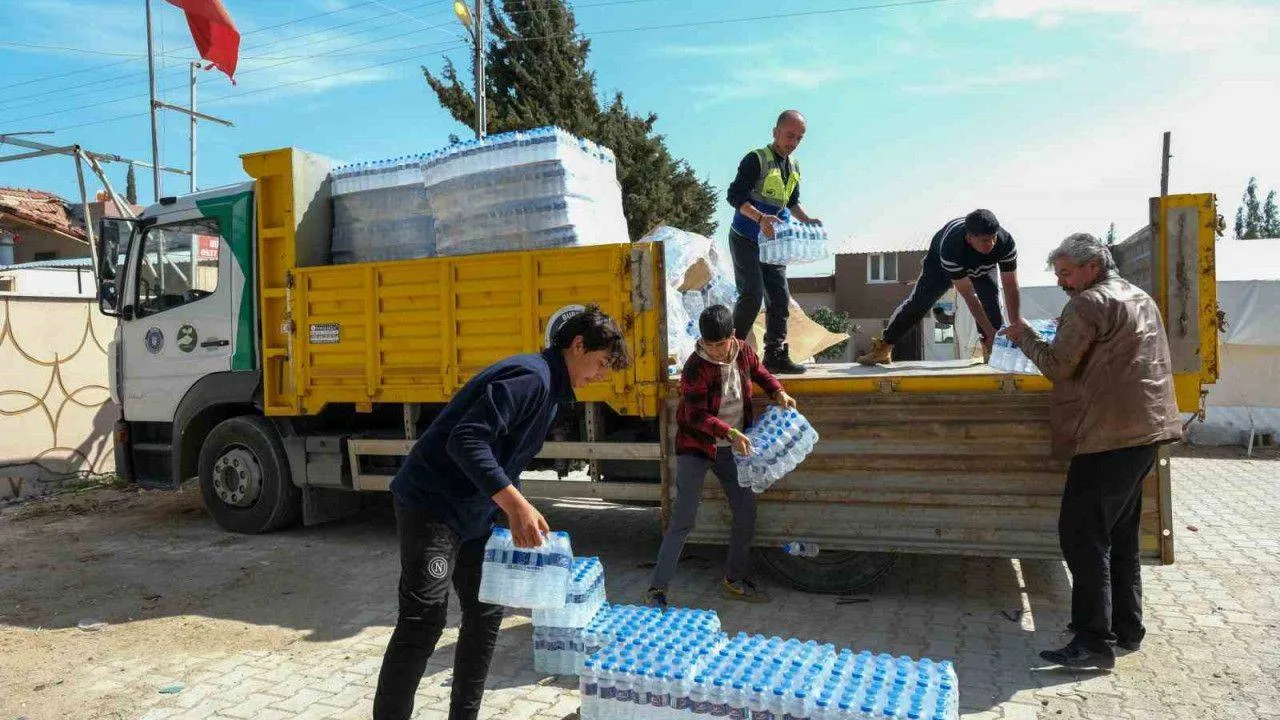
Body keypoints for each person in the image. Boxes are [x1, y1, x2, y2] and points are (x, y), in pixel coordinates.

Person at [373, 306, 631, 720]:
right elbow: (466, 441)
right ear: (578, 345)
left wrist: (514, 510)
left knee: (487, 611)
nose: (601, 375)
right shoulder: (530, 378)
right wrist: (515, 505)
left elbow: (504, 457)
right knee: (423, 621)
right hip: (432, 505)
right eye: (601, 363)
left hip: (475, 510)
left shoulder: (551, 392)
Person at [1002, 233, 1182, 670]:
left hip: (1107, 436)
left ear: (1092, 267)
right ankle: (1127, 627)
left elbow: (1059, 367)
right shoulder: (1139, 296)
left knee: (1081, 536)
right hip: (1146, 431)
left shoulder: (1087, 303)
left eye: (1066, 272)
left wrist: (1024, 336)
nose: (1061, 281)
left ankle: (1092, 642)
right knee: (1120, 537)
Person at [644, 304, 797, 608]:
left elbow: (760, 372)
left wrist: (777, 391)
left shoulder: (743, 351)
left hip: (731, 449)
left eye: (720, 344)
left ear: (733, 336)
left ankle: (733, 580)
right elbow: (695, 415)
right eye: (708, 344)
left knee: (746, 512)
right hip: (697, 446)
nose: (714, 351)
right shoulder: (695, 367)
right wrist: (729, 432)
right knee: (683, 519)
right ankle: (657, 589)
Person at [726, 109, 822, 375]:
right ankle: (730, 355)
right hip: (746, 237)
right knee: (752, 295)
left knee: (780, 298)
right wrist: (759, 218)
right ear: (775, 132)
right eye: (790, 135)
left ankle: (775, 355)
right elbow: (734, 196)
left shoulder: (794, 166)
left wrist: (807, 219)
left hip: (773, 243)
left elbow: (791, 202)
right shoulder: (756, 159)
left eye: (799, 138)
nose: (794, 142)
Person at [857, 209, 1021, 365]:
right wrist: (990, 332)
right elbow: (970, 297)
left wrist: (1015, 323)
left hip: (983, 266)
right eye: (985, 240)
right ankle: (884, 347)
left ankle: (992, 350)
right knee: (919, 303)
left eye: (993, 238)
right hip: (940, 266)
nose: (991, 244)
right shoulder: (951, 248)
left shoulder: (1005, 242)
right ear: (969, 238)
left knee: (991, 302)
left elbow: (1010, 285)